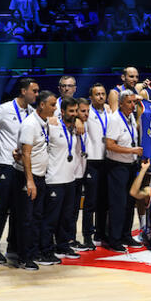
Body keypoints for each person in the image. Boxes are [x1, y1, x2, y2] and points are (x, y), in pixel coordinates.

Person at [0, 77, 39, 265]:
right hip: (5, 164)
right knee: (2, 208)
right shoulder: (4, 109)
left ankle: (13, 246)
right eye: (34, 91)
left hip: (21, 166)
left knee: (19, 209)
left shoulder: (32, 112)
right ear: (23, 91)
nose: (36, 94)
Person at [14, 90, 57, 271]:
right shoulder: (30, 124)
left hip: (40, 176)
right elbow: (25, 154)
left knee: (37, 217)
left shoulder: (44, 122)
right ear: (42, 105)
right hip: (27, 177)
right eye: (52, 105)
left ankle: (33, 252)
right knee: (26, 218)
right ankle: (23, 257)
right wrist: (29, 181)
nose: (55, 108)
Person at [40, 97, 80, 266]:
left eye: (76, 111)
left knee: (66, 217)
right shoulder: (52, 126)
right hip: (54, 179)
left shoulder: (74, 128)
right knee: (51, 218)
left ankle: (62, 246)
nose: (74, 114)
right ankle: (45, 251)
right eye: (71, 111)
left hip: (70, 178)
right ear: (62, 112)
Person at [105, 90, 143, 252]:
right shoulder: (115, 119)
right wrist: (132, 151)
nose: (133, 105)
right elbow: (109, 145)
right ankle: (114, 239)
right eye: (129, 102)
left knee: (129, 202)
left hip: (131, 165)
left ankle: (126, 235)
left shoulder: (131, 117)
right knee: (118, 204)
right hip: (117, 166)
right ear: (120, 104)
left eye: (134, 102)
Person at [84, 84, 112, 248]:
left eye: (103, 93)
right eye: (97, 94)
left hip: (106, 160)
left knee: (104, 200)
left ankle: (101, 233)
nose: (101, 96)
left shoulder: (109, 111)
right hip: (92, 161)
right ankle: (87, 236)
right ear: (91, 97)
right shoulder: (87, 112)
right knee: (90, 202)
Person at [69, 98, 90, 251]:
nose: (86, 114)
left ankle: (71, 238)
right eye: (83, 111)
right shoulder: (71, 125)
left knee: (75, 209)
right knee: (68, 210)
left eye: (88, 111)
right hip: (69, 174)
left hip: (80, 172)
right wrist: (76, 120)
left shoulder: (85, 124)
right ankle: (65, 239)